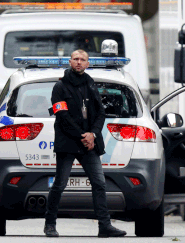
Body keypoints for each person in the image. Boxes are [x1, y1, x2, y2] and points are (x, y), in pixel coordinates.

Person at [44, 50, 126, 238]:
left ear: (88, 63)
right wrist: (83, 135)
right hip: (68, 142)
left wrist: (93, 134)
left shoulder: (90, 83)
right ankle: (50, 224)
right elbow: (62, 116)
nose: (79, 62)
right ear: (70, 62)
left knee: (99, 183)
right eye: (76, 59)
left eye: (82, 60)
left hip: (89, 143)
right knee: (60, 184)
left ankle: (105, 226)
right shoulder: (60, 86)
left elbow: (100, 113)